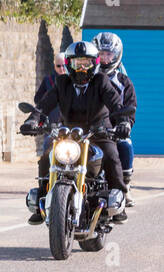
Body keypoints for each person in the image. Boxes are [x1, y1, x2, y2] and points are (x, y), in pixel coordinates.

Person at [20, 40, 128, 225]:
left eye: (86, 63)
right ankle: (41, 203)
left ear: (94, 64)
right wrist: (32, 120)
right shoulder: (62, 83)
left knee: (111, 156)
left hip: (97, 132)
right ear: (70, 64)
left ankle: (119, 202)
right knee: (47, 158)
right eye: (77, 63)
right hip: (68, 134)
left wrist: (123, 122)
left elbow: (115, 104)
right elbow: (44, 105)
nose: (81, 68)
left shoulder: (101, 81)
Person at [94, 31, 136, 218]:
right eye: (101, 54)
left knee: (125, 144)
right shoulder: (85, 78)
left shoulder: (123, 81)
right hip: (88, 129)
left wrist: (124, 124)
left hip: (111, 131)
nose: (104, 59)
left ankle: (124, 188)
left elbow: (130, 106)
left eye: (108, 55)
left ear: (116, 55)